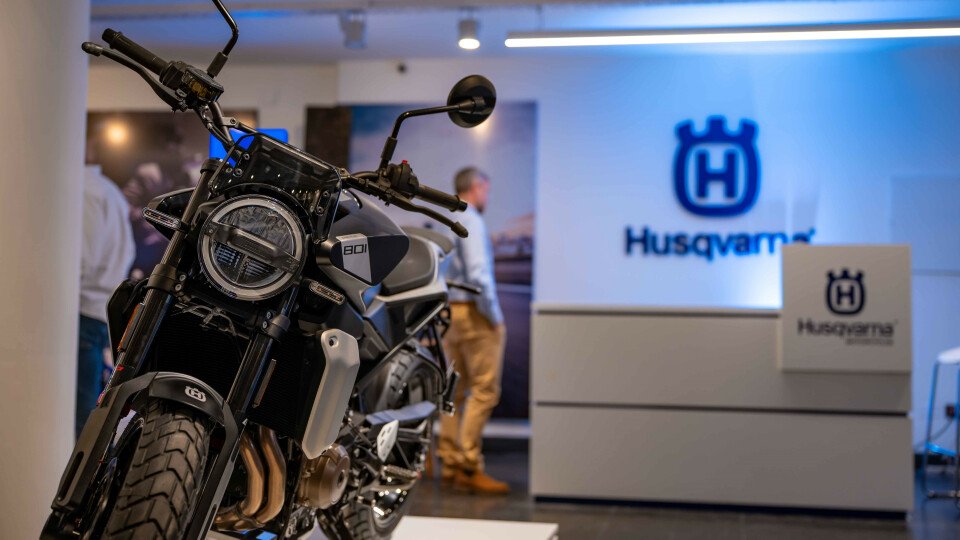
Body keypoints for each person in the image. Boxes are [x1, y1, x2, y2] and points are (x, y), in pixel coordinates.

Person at [438, 167, 510, 495]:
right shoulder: (473, 220)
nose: (488, 196)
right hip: (474, 314)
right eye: (487, 189)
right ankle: (468, 463)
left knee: (454, 390)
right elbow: (480, 276)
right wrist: (494, 318)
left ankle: (450, 461)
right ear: (476, 187)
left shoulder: (447, 217)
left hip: (449, 312)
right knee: (484, 390)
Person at [77, 164, 135, 439]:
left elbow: (80, 260)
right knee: (87, 415)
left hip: (81, 313)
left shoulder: (85, 190)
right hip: (97, 312)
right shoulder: (108, 191)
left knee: (80, 418)